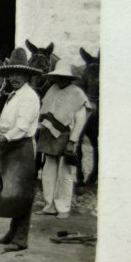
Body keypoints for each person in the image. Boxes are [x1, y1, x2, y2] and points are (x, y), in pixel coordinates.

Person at [0, 47, 42, 253]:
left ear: (27, 75)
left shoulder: (29, 97)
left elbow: (21, 128)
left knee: (22, 194)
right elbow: (5, 125)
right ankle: (11, 233)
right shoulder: (13, 95)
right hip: (9, 147)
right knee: (11, 192)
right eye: (12, 74)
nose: (15, 78)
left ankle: (21, 239)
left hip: (21, 148)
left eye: (19, 74)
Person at [35, 60, 92, 219]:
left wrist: (73, 141)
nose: (60, 79)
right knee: (48, 171)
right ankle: (49, 205)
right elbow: (46, 110)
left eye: (63, 77)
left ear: (70, 78)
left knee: (65, 173)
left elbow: (80, 120)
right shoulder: (52, 90)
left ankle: (63, 207)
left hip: (66, 136)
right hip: (49, 135)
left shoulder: (77, 94)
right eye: (58, 76)